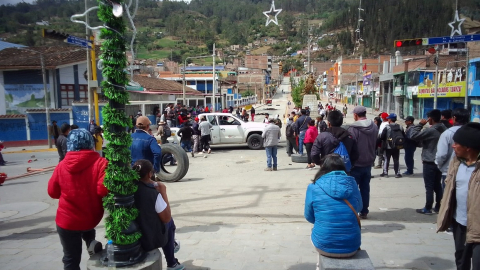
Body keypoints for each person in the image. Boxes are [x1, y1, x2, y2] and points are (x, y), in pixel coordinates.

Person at [48, 128, 107, 270]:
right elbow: (102, 190)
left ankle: (89, 241)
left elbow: (52, 192)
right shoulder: (101, 163)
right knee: (87, 228)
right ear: (90, 143)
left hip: (66, 221)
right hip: (89, 218)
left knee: (70, 259)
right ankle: (90, 241)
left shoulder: (61, 165)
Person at [436, 123, 480, 270]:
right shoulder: (456, 162)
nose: (453, 146)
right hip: (459, 222)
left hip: (478, 226)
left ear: (468, 147)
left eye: (457, 143)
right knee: (461, 259)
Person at [304, 154, 362, 258]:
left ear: (323, 168)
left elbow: (309, 216)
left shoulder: (313, 187)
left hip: (324, 245)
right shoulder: (352, 184)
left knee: (316, 232)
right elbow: (359, 207)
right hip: (352, 246)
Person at [132, 159, 184, 270]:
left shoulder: (129, 189)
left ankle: (173, 245)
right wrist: (163, 192)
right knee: (169, 223)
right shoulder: (152, 194)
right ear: (150, 174)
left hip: (134, 231)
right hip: (148, 238)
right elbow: (166, 217)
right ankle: (172, 263)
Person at [408, 109, 447, 214]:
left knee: (429, 186)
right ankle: (439, 206)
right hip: (440, 161)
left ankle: (428, 207)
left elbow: (413, 135)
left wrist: (420, 124)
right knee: (437, 185)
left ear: (431, 118)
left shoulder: (432, 130)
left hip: (429, 161)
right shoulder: (443, 128)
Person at [348, 106, 378, 219]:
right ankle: (364, 211)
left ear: (355, 115)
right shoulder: (374, 126)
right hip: (369, 161)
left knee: (354, 189)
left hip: (356, 164)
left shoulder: (353, 129)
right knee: (365, 188)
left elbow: (352, 146)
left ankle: (354, 210)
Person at [435, 108, 470, 189]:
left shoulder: (447, 133)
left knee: (448, 198)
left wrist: (440, 166)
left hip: (449, 172)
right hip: (468, 172)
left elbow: (441, 155)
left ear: (454, 118)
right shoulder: (472, 133)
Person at [379, 113, 405, 178]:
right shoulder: (400, 127)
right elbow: (403, 136)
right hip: (397, 146)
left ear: (390, 120)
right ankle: (397, 173)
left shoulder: (387, 127)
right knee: (396, 160)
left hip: (388, 146)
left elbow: (382, 137)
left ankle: (385, 173)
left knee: (386, 159)